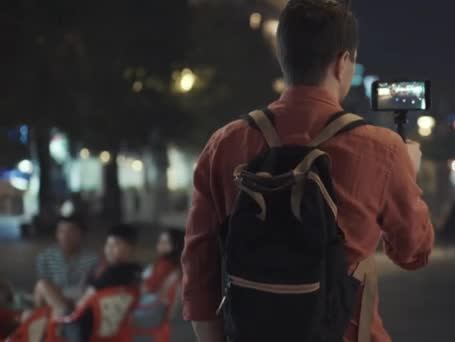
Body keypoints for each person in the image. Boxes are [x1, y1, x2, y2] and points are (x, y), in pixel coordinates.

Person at [181, 1, 434, 341]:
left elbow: (199, 274)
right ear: (343, 62)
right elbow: (413, 252)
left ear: (282, 55)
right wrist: (408, 173)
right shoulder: (382, 149)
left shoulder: (225, 144)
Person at [31, 224, 142, 341]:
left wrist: (69, 305)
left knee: (43, 285)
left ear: (130, 247)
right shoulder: (136, 270)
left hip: (79, 327)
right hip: (105, 325)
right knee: (52, 292)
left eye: (116, 245)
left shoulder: (110, 273)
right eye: (108, 244)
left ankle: (39, 326)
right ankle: (39, 322)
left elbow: (84, 301)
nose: (109, 249)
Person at [36, 216, 99, 301]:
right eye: (61, 231)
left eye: (71, 231)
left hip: (80, 300)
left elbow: (94, 287)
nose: (65, 236)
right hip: (53, 299)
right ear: (56, 234)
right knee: (42, 285)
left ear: (81, 234)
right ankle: (63, 311)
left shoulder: (92, 258)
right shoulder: (45, 257)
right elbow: (44, 285)